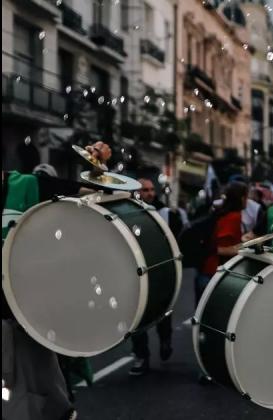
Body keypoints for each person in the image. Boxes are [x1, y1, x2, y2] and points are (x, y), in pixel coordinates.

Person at [2, 141, 111, 420]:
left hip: (26, 318)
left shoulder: (29, 185)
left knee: (45, 398)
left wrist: (98, 168)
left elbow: (100, 196)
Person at [129, 178, 174, 376]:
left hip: (161, 269)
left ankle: (165, 340)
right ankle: (141, 356)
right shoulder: (128, 213)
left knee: (163, 309)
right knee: (137, 315)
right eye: (144, 190)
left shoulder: (165, 213)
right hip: (137, 272)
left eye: (151, 190)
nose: (149, 193)